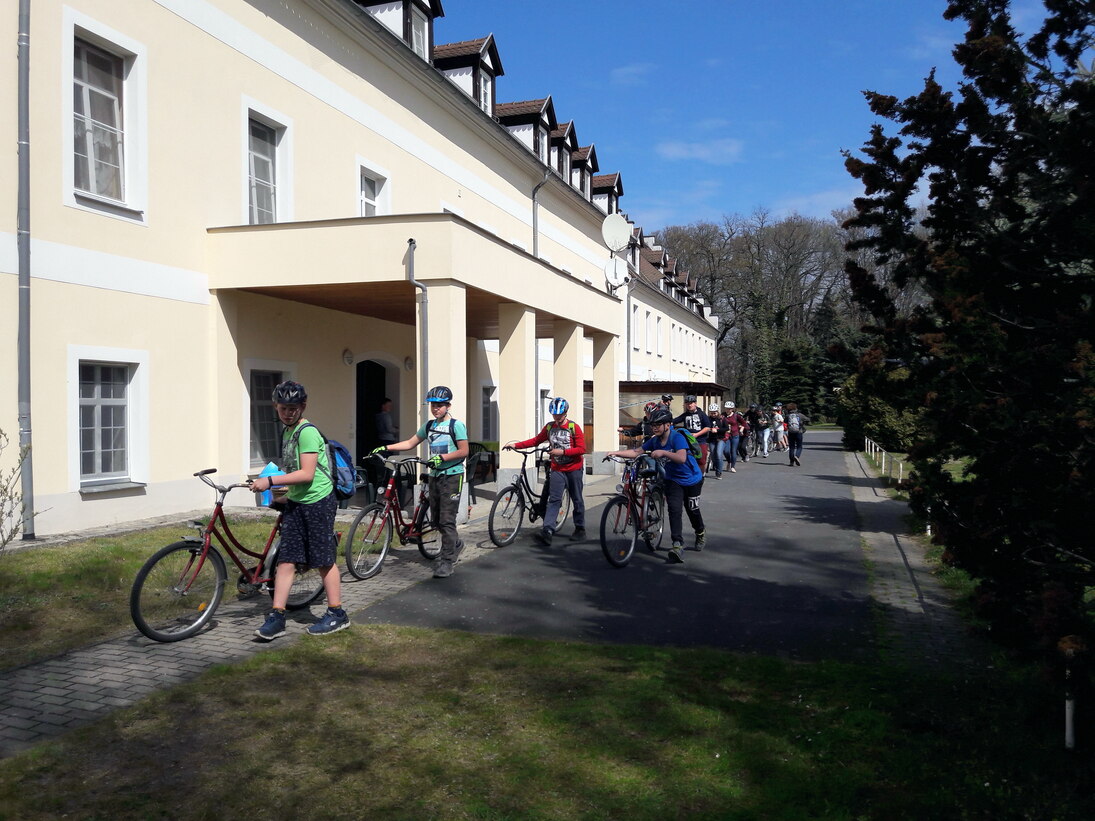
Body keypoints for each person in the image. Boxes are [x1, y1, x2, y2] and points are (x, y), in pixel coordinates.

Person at [249, 380, 349, 640]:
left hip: (318, 501)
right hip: (299, 501)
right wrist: (285, 496)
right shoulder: (287, 431)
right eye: (284, 408)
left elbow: (306, 474)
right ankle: (278, 616)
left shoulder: (306, 432)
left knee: (323, 559)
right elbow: (293, 471)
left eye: (293, 408)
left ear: (303, 407)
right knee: (286, 560)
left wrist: (269, 482)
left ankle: (337, 614)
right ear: (276, 407)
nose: (288, 412)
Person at [376, 385, 469, 578]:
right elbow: (410, 443)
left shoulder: (456, 426)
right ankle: (456, 545)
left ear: (448, 406)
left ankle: (447, 561)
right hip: (434, 476)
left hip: (452, 476)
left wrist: (443, 458)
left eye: (440, 405)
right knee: (435, 521)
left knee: (446, 520)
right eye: (433, 405)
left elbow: (464, 451)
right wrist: (385, 447)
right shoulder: (429, 426)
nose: (436, 408)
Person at [606, 407, 705, 564]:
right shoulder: (655, 440)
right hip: (673, 480)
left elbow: (681, 458)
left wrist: (664, 453)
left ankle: (700, 532)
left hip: (692, 479)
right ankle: (677, 545)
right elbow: (637, 451)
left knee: (692, 509)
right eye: (653, 424)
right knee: (674, 510)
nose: (654, 427)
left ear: (668, 424)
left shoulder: (676, 437)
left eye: (658, 424)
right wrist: (615, 452)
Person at [506, 397, 586, 545]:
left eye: (559, 414)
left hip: (574, 468)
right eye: (554, 414)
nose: (556, 417)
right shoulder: (549, 427)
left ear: (565, 413)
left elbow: (582, 449)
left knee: (577, 499)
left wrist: (562, 452)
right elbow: (535, 440)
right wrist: (516, 445)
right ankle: (548, 530)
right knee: (554, 499)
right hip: (557, 469)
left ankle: (580, 528)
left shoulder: (574, 427)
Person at [673, 394, 713, 473]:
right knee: (688, 458)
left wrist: (697, 434)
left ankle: (701, 475)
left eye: (691, 403)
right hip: (688, 440)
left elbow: (708, 427)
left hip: (700, 440)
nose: (689, 405)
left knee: (701, 460)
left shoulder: (702, 414)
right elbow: (675, 421)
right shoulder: (685, 415)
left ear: (695, 403)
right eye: (687, 403)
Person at [783, 402, 812, 467]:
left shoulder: (788, 416)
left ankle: (791, 462)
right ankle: (797, 456)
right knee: (799, 446)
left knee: (792, 447)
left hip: (791, 432)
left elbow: (785, 422)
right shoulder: (800, 415)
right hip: (799, 432)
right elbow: (808, 419)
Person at [722, 401, 747, 474]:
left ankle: (733, 466)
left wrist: (742, 428)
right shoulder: (723, 415)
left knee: (733, 451)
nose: (728, 410)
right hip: (726, 435)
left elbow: (744, 423)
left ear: (732, 409)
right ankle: (729, 461)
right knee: (726, 451)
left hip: (735, 435)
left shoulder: (736, 416)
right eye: (726, 408)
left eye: (729, 409)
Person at [707, 402, 729, 478]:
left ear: (717, 412)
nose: (713, 415)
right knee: (713, 454)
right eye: (712, 413)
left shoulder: (722, 419)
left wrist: (718, 430)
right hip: (711, 439)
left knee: (719, 454)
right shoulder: (708, 419)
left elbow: (727, 428)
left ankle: (719, 472)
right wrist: (710, 429)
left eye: (715, 413)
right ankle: (715, 465)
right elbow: (705, 427)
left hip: (721, 439)